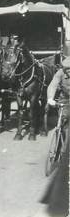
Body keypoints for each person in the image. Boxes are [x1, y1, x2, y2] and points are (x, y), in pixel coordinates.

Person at [42, 56, 70, 216]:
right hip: (65, 101)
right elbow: (52, 85)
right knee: (62, 124)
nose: (67, 72)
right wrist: (50, 98)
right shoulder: (60, 73)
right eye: (66, 69)